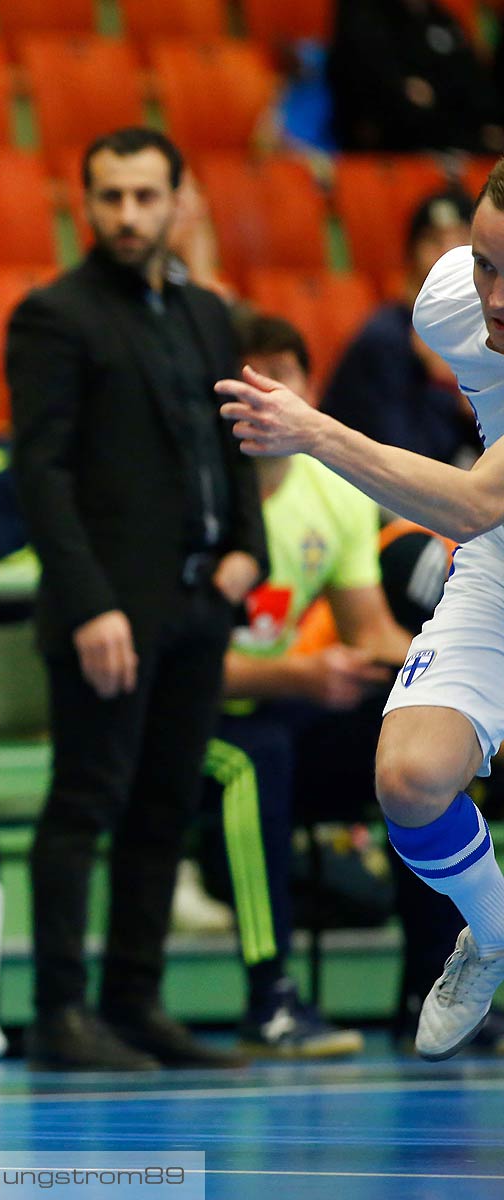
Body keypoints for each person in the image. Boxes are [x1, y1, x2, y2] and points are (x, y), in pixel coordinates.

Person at [217, 158, 504, 1061]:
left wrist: (313, 430)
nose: (495, 297)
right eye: (488, 263)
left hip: (486, 514)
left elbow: (469, 504)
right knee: (410, 779)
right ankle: (492, 936)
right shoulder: (447, 302)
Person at [9, 126, 267, 1072]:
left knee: (165, 807)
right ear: (86, 203)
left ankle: (134, 1001)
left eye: (145, 197)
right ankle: (60, 1013)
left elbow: (232, 434)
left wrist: (251, 545)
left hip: (198, 605)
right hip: (106, 616)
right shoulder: (54, 315)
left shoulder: (206, 312)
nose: (127, 215)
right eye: (110, 196)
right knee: (85, 805)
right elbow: (40, 474)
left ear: (177, 200)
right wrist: (88, 606)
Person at [201, 314, 426, 1058]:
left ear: (307, 390)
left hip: (283, 707)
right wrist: (298, 673)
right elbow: (181, 667)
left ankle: (435, 996)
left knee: (420, 745)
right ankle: (271, 1003)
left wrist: (455, 674)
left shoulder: (336, 495)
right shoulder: (188, 494)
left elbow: (370, 635)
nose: (266, 391)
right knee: (253, 755)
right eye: (249, 373)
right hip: (191, 723)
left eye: (284, 374)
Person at [323, 190, 483, 467]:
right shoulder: (384, 340)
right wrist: (444, 388)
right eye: (434, 241)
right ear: (411, 257)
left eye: (461, 240)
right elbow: (403, 463)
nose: (448, 253)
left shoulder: (479, 336)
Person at [328, 0, 503, 155]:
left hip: (463, 140)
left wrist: (486, 124)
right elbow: (386, 92)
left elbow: (472, 82)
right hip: (396, 149)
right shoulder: (363, 13)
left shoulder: (440, 17)